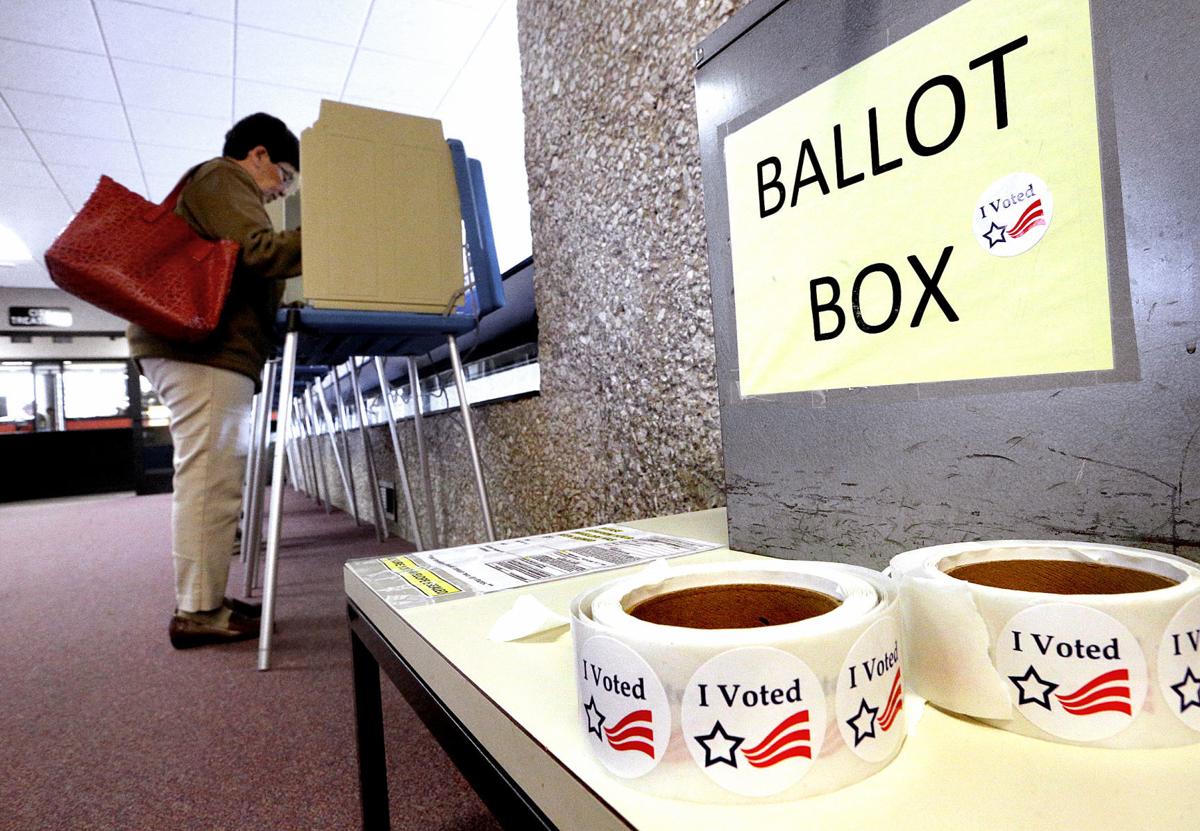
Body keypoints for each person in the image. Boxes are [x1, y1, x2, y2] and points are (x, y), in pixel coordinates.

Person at [128, 113, 302, 649]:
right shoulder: (223, 177)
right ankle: (199, 612)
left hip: (200, 349)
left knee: (211, 475)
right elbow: (257, 252)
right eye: (285, 178)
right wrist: (339, 233)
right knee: (210, 480)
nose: (281, 192)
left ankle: (205, 600)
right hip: (202, 349)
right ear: (258, 156)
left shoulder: (216, 184)